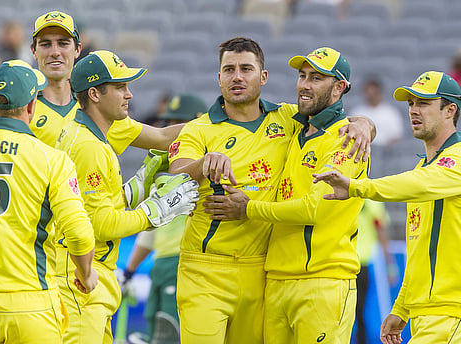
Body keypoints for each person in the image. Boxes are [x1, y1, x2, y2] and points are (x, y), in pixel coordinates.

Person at [168, 39, 374, 344]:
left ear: (263, 77)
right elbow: (175, 176)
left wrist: (365, 124)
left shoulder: (287, 120)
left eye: (246, 69)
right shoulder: (199, 129)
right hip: (205, 269)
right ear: (219, 78)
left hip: (261, 271)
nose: (237, 76)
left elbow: (329, 117)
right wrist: (202, 164)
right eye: (229, 69)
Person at [56, 50, 200, 344]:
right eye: (120, 87)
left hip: (76, 272)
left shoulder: (85, 130)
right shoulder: (90, 146)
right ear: (95, 94)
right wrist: (155, 210)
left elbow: (90, 205)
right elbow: (100, 225)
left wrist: (137, 188)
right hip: (81, 277)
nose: (129, 94)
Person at [313, 71, 461, 344]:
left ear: (450, 110)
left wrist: (357, 187)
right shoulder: (422, 169)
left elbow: (417, 183)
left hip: (452, 316)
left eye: (424, 103)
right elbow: (419, 251)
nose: (414, 111)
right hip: (426, 317)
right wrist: (401, 308)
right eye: (411, 104)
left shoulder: (456, 160)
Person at [0, 60, 97, 343]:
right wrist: (86, 273)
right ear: (32, 104)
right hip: (32, 305)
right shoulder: (53, 160)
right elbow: (79, 234)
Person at [0, 10, 183, 154]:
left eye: (63, 43)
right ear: (33, 50)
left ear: (78, 49)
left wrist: (210, 126)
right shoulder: (16, 97)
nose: (55, 52)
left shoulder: (97, 106)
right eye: (45, 44)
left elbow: (162, 138)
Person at [122, 93, 208, 343]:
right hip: (161, 264)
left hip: (184, 260)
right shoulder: (162, 165)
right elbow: (151, 227)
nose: (171, 130)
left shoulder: (205, 166)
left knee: (171, 334)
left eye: (178, 122)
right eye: (168, 122)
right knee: (154, 333)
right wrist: (129, 270)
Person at [356, 199, 397, 344]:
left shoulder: (367, 200)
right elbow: (381, 233)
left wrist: (390, 266)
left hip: (352, 264)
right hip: (358, 265)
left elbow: (380, 231)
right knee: (358, 314)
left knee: (356, 314)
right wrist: (390, 266)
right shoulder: (370, 199)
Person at [350, 77, 404, 147]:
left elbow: (396, 137)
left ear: (379, 92)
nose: (371, 95)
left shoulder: (391, 113)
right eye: (368, 92)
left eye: (374, 92)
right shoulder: (356, 112)